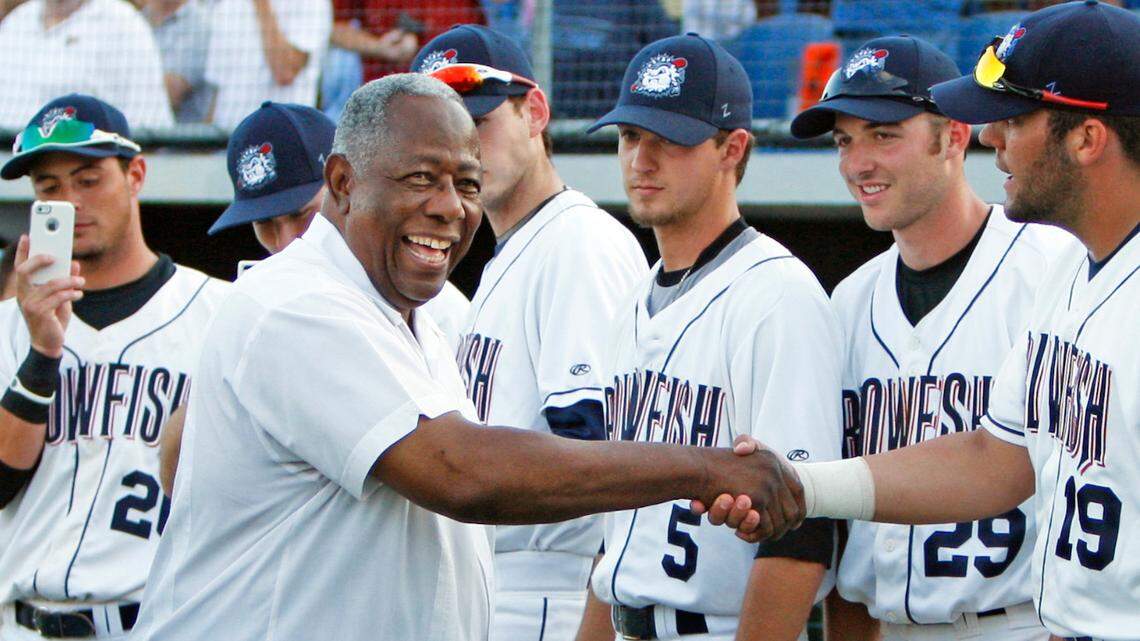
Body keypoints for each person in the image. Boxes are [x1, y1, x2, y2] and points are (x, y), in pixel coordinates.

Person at [128, 73, 805, 641]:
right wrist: (703, 466)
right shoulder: (298, 303)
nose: (450, 207)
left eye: (467, 183)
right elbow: (462, 473)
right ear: (341, 182)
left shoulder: (411, 310)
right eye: (422, 178)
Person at [708, 3, 1140, 640]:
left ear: (1086, 138)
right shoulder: (1070, 277)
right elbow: (994, 457)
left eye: (1015, 119)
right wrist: (802, 484)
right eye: (845, 139)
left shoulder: (1053, 269)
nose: (993, 137)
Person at [790, 34, 1072, 640]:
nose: (857, 162)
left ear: (954, 136)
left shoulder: (1053, 267)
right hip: (889, 624)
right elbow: (846, 533)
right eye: (845, 140)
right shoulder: (848, 301)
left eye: (883, 134)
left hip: (1021, 624)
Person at [579, 33, 843, 641]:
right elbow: (613, 538)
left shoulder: (779, 297)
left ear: (733, 148)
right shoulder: (632, 301)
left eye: (669, 140)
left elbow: (802, 533)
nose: (641, 160)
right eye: (630, 137)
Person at [410, 26, 648, 641]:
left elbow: (605, 457)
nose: (462, 156)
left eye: (478, 126)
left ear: (534, 111)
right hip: (498, 582)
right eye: (441, 141)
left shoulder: (577, 244)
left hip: (553, 591)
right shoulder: (511, 253)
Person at [0, 94, 228, 640]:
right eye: (49, 188)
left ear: (136, 175)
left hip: (157, 622)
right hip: (24, 623)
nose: (71, 201)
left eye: (88, 179)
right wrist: (41, 356)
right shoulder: (8, 326)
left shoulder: (220, 314)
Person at [156, 100, 471, 495]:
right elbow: (175, 477)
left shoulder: (438, 310)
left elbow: (465, 469)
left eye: (302, 215)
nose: (286, 241)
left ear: (345, 185)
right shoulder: (258, 304)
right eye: (267, 224)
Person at [0, 0, 174, 130]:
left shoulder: (124, 24)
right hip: (10, 165)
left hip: (83, 170)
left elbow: (148, 125)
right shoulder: (16, 22)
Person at [203, 0, 332, 129]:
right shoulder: (227, 4)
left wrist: (261, 4)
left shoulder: (312, 3)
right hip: (227, 140)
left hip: (279, 138)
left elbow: (285, 71)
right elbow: (218, 93)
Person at [142, 0, 213, 123]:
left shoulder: (201, 22)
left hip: (184, 138)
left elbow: (170, 94)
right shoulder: (135, 18)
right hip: (136, 130)